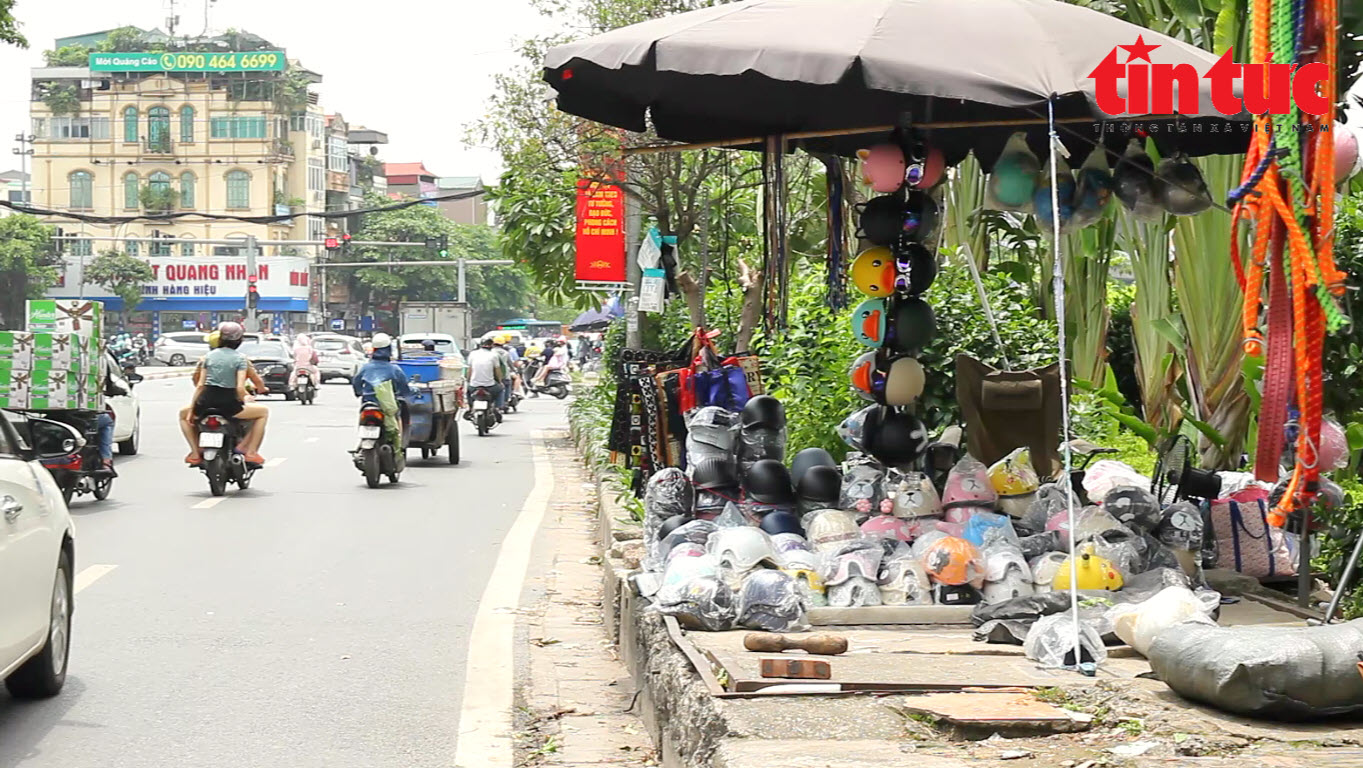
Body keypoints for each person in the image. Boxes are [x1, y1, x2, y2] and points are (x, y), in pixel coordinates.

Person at [180, 322, 270, 466]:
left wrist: (192, 409)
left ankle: (195, 453)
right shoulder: (240, 359)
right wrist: (248, 398)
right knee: (263, 412)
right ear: (239, 341)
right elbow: (240, 388)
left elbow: (200, 385)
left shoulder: (208, 357)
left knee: (182, 415)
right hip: (229, 406)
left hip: (204, 403)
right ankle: (251, 452)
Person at [352, 332, 412, 401]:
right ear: (389, 349)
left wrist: (359, 392)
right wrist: (407, 393)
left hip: (368, 400)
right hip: (388, 403)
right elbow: (403, 386)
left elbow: (356, 381)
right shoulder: (394, 369)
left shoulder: (365, 367)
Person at [465, 337, 506, 416]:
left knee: (468, 391)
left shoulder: (473, 354)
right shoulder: (494, 355)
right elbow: (497, 371)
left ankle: (470, 408)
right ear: (491, 345)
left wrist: (468, 381)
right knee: (501, 389)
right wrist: (500, 382)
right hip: (489, 385)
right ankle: (498, 407)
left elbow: (469, 370)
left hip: (474, 385)